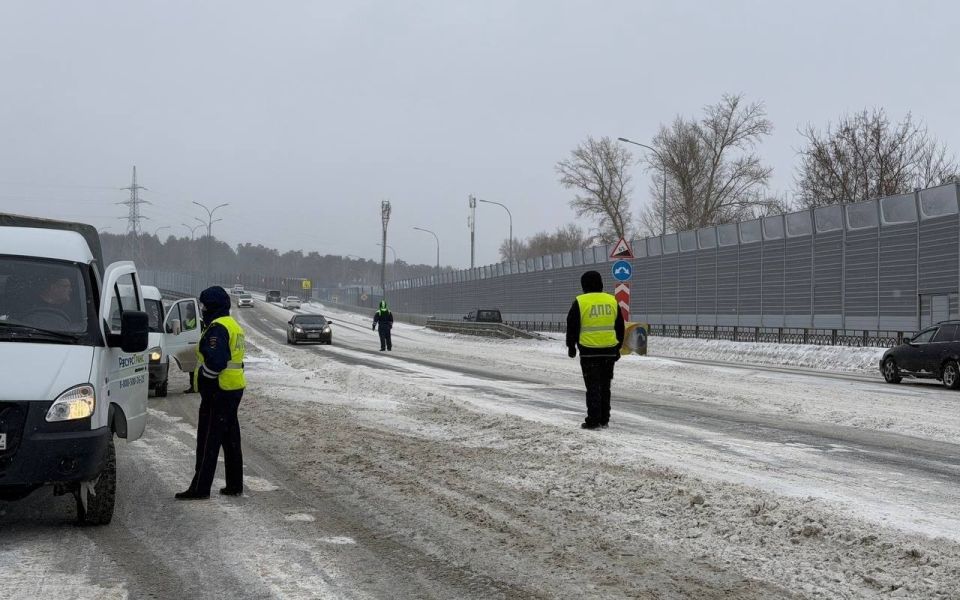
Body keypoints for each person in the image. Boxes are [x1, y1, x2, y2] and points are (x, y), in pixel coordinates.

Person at [176, 285, 246, 500]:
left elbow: (216, 361)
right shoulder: (232, 324)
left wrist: (205, 379)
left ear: (212, 307)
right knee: (231, 439)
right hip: (233, 388)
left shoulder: (217, 328)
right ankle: (234, 484)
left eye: (204, 306)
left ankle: (200, 488)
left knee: (208, 440)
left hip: (218, 391)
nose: (202, 310)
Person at [566, 270, 625, 430]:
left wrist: (571, 346)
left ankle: (593, 420)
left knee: (592, 386)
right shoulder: (612, 300)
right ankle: (604, 419)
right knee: (605, 386)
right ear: (600, 283)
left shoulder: (580, 301)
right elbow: (619, 326)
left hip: (589, 351)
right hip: (609, 351)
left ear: (584, 285)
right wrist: (618, 347)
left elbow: (572, 326)